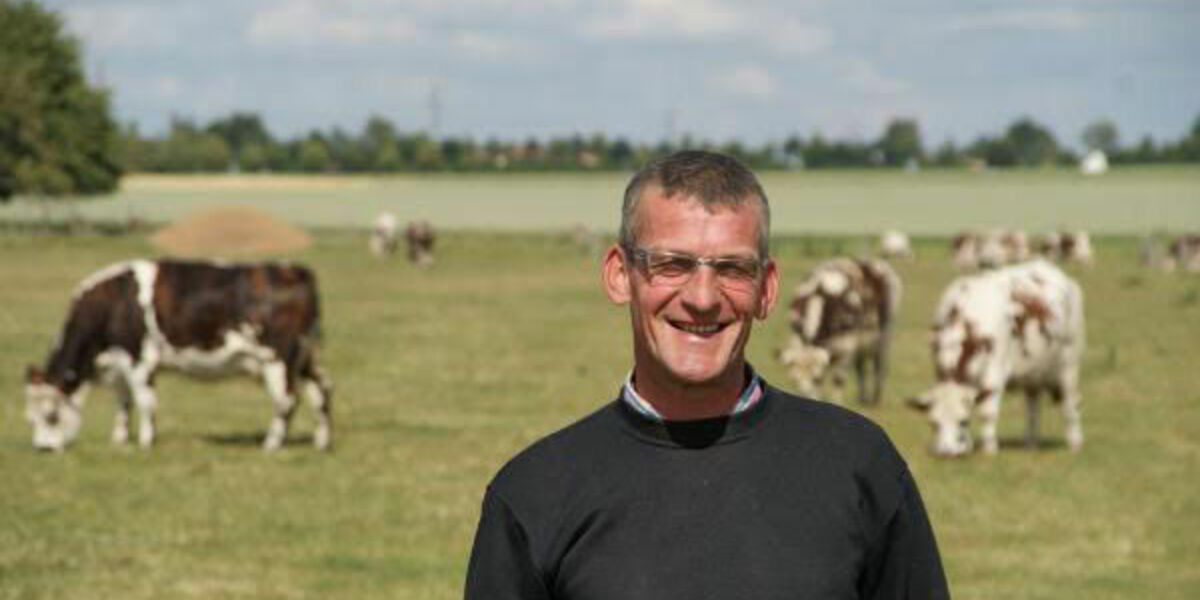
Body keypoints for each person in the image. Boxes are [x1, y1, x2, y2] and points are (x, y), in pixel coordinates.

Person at [464, 150, 949, 600]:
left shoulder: (860, 467)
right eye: (671, 264)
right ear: (619, 275)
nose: (702, 297)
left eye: (733, 269)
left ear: (766, 289)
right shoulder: (534, 495)